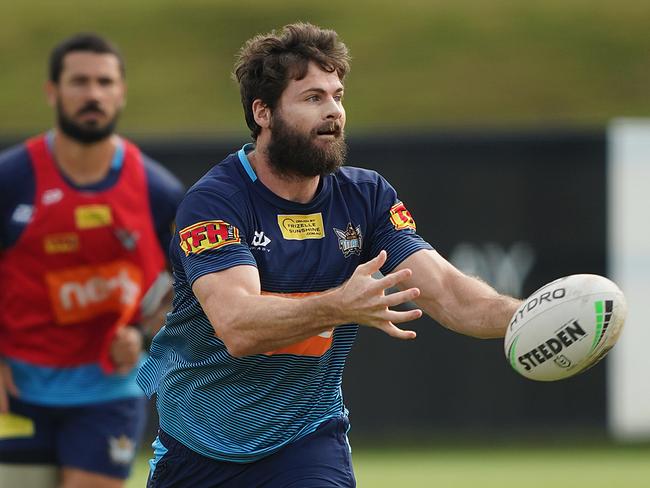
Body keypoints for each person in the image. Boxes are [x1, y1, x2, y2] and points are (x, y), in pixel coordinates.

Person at [137, 22, 521, 487]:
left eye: (337, 95)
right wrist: (339, 305)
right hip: (198, 445)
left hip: (306, 439)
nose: (334, 112)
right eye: (313, 98)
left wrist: (532, 315)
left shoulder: (366, 196)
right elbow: (238, 325)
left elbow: (450, 294)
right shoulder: (216, 202)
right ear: (263, 112)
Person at [0, 33, 184, 488]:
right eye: (79, 81)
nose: (93, 94)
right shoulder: (12, 179)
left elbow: (187, 286)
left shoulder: (158, 192)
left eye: (105, 82)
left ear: (121, 93)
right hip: (16, 390)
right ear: (53, 92)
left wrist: (142, 337)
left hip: (109, 390)